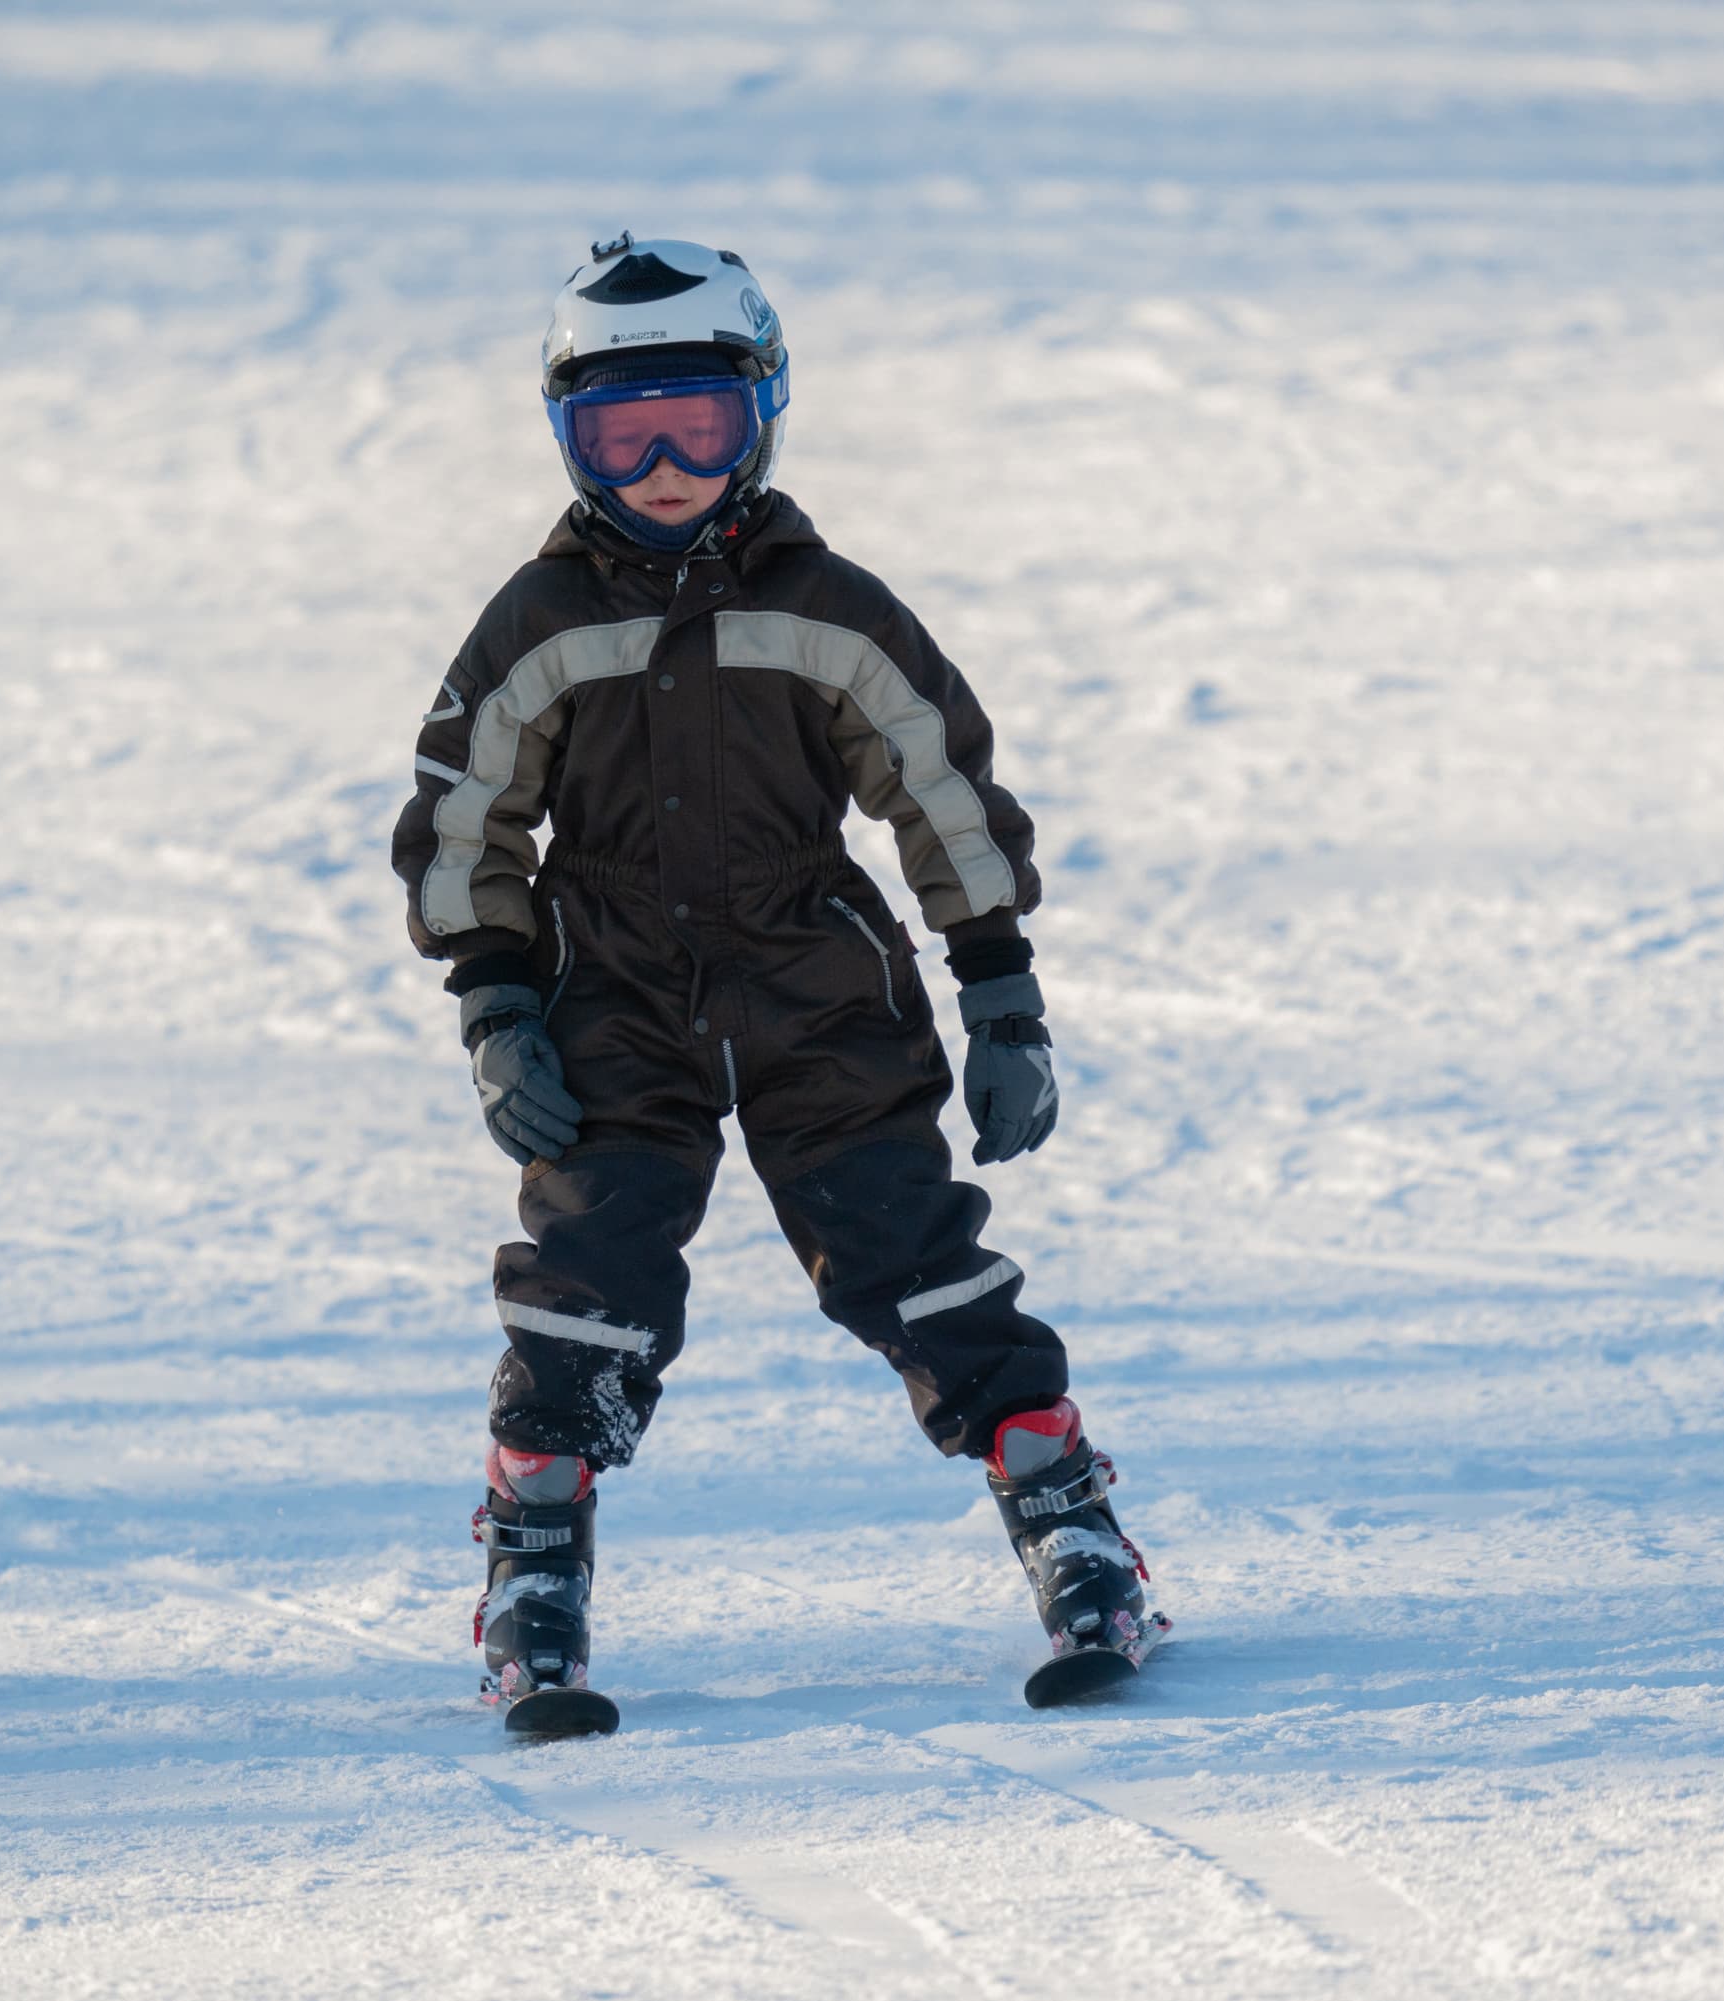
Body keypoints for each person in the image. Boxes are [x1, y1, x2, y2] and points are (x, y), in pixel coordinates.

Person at [392, 233, 1162, 1725]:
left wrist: (999, 989)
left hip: (819, 986)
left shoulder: (830, 607)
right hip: (610, 995)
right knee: (590, 1275)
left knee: (910, 1253)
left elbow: (942, 790)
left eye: (699, 424)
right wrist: (495, 999)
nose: (664, 468)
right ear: (565, 437)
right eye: (620, 434)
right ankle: (535, 1556)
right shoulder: (540, 622)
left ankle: (1068, 1518)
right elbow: (464, 816)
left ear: (764, 413)